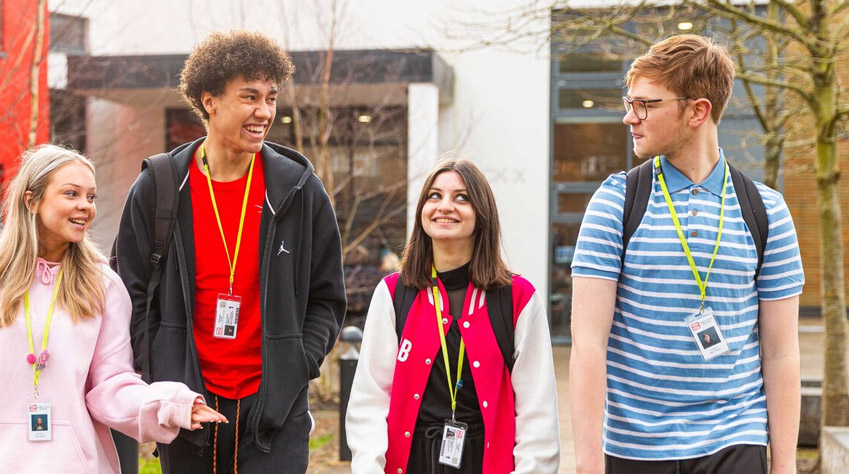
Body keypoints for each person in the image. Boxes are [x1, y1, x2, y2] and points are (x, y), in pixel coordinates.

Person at [0, 145, 227, 474]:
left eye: (91, 197)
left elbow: (111, 385)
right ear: (32, 200)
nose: (85, 207)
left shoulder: (103, 285)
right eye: (71, 194)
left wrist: (169, 406)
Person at [569, 34, 804, 474]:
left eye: (646, 105)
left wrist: (786, 464)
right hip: (636, 446)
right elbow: (587, 345)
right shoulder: (616, 203)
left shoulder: (766, 211)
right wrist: (587, 466)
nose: (629, 117)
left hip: (736, 437)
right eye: (630, 102)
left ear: (698, 111)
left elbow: (781, 352)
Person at [113, 30, 346, 473]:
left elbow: (327, 297)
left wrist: (296, 363)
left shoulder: (299, 189)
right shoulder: (160, 188)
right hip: (188, 406)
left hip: (275, 408)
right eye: (250, 97)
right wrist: (160, 371)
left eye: (271, 97)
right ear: (210, 100)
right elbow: (131, 295)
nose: (265, 112)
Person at [346, 159, 560, 474]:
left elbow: (537, 413)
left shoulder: (517, 299)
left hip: (486, 462)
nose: (445, 206)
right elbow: (370, 398)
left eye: (461, 197)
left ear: (482, 214)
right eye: (434, 196)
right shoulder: (393, 294)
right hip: (412, 461)